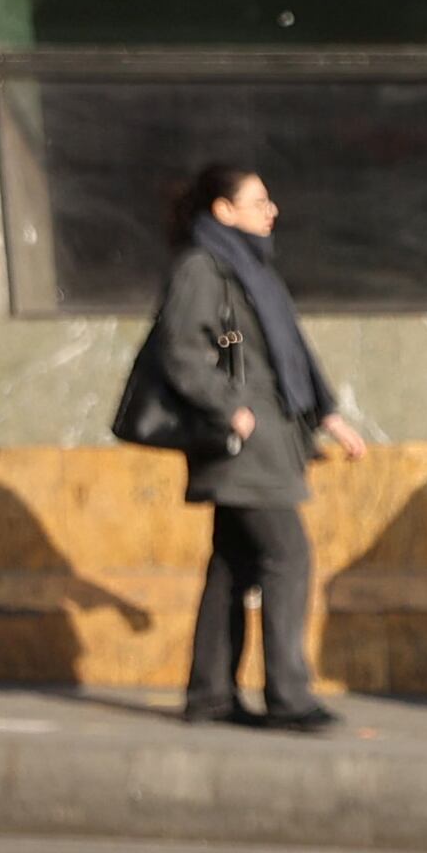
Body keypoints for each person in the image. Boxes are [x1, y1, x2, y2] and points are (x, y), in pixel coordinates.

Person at [148, 162, 369, 729]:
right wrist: (230, 409)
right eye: (258, 201)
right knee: (287, 555)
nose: (271, 211)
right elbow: (181, 350)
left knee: (234, 562)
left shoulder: (248, 269)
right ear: (223, 210)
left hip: (268, 435)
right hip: (243, 442)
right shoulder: (204, 268)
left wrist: (330, 418)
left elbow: (287, 352)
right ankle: (289, 696)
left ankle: (210, 695)